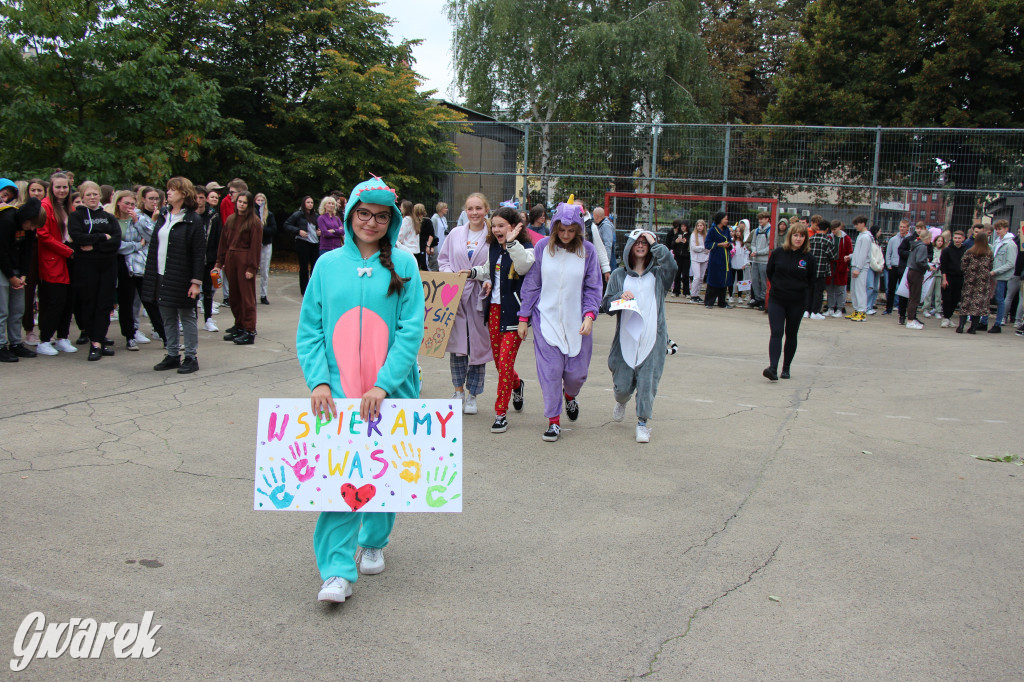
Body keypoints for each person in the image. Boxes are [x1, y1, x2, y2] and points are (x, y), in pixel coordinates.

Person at [295, 176, 424, 604]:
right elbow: (310, 329)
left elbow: (410, 332)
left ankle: (374, 540)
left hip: (392, 394)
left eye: (381, 216)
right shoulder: (328, 266)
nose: (371, 222)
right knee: (340, 480)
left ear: (391, 222)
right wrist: (318, 381)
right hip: (339, 397)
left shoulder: (404, 264)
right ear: (350, 215)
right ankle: (335, 570)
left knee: (384, 475)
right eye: (364, 214)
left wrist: (384, 385)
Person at [517, 200, 603, 442]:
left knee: (576, 375)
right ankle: (553, 421)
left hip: (577, 323)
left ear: (578, 229)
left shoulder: (588, 251)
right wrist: (524, 317)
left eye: (571, 230)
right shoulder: (543, 247)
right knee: (551, 372)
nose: (565, 235)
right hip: (547, 320)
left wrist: (589, 315)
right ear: (554, 227)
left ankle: (570, 396)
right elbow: (532, 285)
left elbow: (593, 287)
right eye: (561, 230)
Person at [601, 229, 676, 443]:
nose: (641, 245)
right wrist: (619, 297)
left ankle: (642, 422)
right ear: (630, 247)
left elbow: (672, 265)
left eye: (646, 242)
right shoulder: (619, 275)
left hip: (652, 339)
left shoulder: (660, 275)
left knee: (648, 383)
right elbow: (606, 306)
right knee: (622, 387)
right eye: (637, 242)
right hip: (625, 339)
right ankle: (621, 401)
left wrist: (655, 243)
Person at [463, 205, 534, 433]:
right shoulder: (494, 247)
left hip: (515, 313)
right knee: (501, 363)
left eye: (501, 225)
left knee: (504, 363)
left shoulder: (525, 248)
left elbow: (523, 267)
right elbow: (489, 269)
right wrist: (473, 273)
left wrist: (512, 243)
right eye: (493, 226)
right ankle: (516, 384)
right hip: (493, 311)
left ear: (513, 227)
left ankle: (500, 413)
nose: (496, 229)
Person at [141, 177, 206, 373]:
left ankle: (191, 357)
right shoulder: (163, 215)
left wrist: (195, 282)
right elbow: (155, 245)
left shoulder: (193, 220)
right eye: (168, 190)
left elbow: (198, 254)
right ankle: (172, 354)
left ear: (184, 194)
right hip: (162, 274)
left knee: (186, 316)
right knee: (167, 316)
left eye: (172, 190)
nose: (167, 193)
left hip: (182, 276)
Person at [438, 193, 494, 414]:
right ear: (465, 211)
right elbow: (443, 260)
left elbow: (496, 265)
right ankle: (458, 390)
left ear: (486, 210)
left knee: (478, 348)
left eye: (478, 208)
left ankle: (473, 395)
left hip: (480, 296)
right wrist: (449, 276)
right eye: (470, 208)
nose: (474, 213)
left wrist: (487, 279)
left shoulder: (492, 235)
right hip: (456, 297)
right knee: (458, 347)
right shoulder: (455, 234)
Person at [67, 181, 121, 362]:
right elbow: (77, 238)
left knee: (104, 304)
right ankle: (94, 341)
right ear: (82, 197)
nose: (92, 197)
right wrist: (101, 237)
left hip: (107, 265)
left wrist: (94, 245)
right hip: (86, 267)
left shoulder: (108, 217)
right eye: (88, 194)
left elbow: (116, 241)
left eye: (95, 194)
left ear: (100, 196)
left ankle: (99, 340)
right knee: (89, 302)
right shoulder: (76, 216)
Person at [764, 222, 815, 381]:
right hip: (777, 299)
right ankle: (773, 368)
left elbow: (811, 281)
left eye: (801, 236)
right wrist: (779, 287)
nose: (798, 239)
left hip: (797, 301)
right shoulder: (778, 253)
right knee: (777, 332)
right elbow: (770, 272)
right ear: (790, 236)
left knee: (791, 334)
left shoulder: (808, 258)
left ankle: (786, 368)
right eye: (795, 235)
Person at [113, 190, 163, 350]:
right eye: (126, 203)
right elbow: (116, 245)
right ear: (118, 203)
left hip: (141, 266)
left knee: (150, 301)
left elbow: (152, 237)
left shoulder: (140, 218)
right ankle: (130, 336)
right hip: (123, 266)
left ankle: (165, 336)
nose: (129, 207)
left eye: (132, 204)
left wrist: (137, 222)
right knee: (126, 303)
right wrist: (137, 246)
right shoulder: (113, 221)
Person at [34, 173, 77, 356]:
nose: (62, 190)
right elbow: (43, 235)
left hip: (68, 258)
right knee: (54, 301)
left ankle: (63, 337)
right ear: (51, 188)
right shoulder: (45, 206)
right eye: (58, 187)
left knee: (68, 301)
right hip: (53, 259)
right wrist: (67, 250)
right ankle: (44, 339)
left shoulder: (69, 207)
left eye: (65, 187)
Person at [215, 191, 263, 345]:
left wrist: (251, 267)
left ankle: (249, 330)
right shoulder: (231, 219)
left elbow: (255, 247)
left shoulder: (254, 222)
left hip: (244, 260)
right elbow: (223, 242)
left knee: (246, 297)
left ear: (249, 205)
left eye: (244, 202)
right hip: (231, 259)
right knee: (234, 296)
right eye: (239, 202)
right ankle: (239, 325)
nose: (241, 205)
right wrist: (219, 262)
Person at [0, 197, 45, 361]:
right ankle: (0, 345)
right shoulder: (6, 220)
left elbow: (27, 251)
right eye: (31, 225)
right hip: (3, 268)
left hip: (17, 269)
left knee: (17, 309)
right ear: (26, 217)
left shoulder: (30, 228)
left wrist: (23, 275)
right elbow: (2, 252)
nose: (32, 229)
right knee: (2, 310)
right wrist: (11, 277)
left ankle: (15, 343)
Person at [20, 178, 48, 345]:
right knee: (28, 293)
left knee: (46, 292)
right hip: (31, 254)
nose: (36, 193)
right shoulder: (23, 211)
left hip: (47, 254)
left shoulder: (49, 209)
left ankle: (46, 330)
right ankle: (29, 329)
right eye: (33, 190)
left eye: (40, 190)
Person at [957, 232, 993, 334]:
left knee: (966, 302)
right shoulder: (989, 253)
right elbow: (991, 266)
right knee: (978, 304)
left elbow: (963, 265)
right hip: (983, 282)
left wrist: (968, 272)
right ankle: (973, 328)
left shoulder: (969, 252)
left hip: (970, 281)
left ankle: (961, 326)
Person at [197, 185, 222, 331]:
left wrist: (218, 260)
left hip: (209, 258)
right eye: (197, 197)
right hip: (193, 260)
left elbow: (218, 237)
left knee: (208, 290)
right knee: (190, 292)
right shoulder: (188, 215)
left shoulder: (213, 215)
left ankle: (208, 319)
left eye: (201, 197)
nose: (199, 201)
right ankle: (190, 319)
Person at [284, 196, 320, 295]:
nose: (310, 204)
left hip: (315, 243)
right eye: (308, 202)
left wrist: (319, 231)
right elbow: (287, 225)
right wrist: (298, 231)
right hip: (303, 242)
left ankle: (313, 289)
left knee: (314, 267)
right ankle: (304, 290)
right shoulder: (298, 214)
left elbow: (318, 227)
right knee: (304, 268)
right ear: (304, 203)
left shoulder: (316, 216)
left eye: (312, 202)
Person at [985, 219, 1015, 333]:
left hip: (1001, 276)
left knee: (999, 299)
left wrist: (995, 271)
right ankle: (984, 321)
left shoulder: (1010, 244)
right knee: (988, 297)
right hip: (993, 275)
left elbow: (1010, 263)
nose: (997, 231)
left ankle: (998, 323)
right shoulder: (997, 242)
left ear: (1006, 229)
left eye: (1000, 229)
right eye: (996, 229)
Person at [805, 216, 836, 319]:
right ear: (827, 229)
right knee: (818, 292)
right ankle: (815, 311)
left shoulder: (811, 239)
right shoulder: (827, 241)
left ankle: (806, 310)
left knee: (809, 290)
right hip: (822, 270)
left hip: (810, 270)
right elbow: (833, 256)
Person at [904, 229, 934, 330]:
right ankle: (910, 320)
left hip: (911, 271)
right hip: (917, 272)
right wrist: (928, 267)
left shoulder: (916, 245)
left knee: (912, 296)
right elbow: (920, 261)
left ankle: (910, 318)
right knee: (915, 297)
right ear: (928, 238)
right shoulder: (922, 247)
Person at [703, 212, 731, 308]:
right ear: (720, 219)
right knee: (714, 279)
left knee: (724, 279)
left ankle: (722, 302)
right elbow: (707, 244)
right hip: (716, 258)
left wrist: (728, 244)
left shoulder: (727, 230)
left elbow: (730, 240)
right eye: (725, 219)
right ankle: (709, 302)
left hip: (725, 258)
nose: (727, 221)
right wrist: (719, 244)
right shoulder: (712, 230)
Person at [847, 216, 872, 321]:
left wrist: (858, 268)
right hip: (856, 266)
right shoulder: (861, 236)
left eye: (857, 224)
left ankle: (862, 311)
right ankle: (857, 309)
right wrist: (850, 256)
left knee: (860, 289)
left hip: (861, 267)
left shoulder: (866, 237)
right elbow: (858, 252)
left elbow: (863, 254)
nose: (855, 226)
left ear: (863, 224)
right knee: (854, 290)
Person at [825, 220, 851, 317]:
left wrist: (845, 263)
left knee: (840, 288)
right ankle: (830, 307)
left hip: (841, 266)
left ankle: (840, 308)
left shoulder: (846, 239)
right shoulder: (830, 238)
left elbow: (849, 252)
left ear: (839, 227)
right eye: (832, 230)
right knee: (830, 288)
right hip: (831, 266)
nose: (833, 232)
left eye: (835, 229)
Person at [746, 212, 772, 309]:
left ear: (767, 219)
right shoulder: (756, 230)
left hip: (764, 260)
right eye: (759, 219)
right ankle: (757, 298)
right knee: (755, 280)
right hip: (755, 259)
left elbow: (770, 247)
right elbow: (752, 243)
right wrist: (753, 250)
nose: (760, 220)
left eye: (762, 218)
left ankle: (763, 299)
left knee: (764, 281)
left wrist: (758, 252)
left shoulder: (770, 230)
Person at [255, 193, 277, 305]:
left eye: (262, 200)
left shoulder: (269, 215)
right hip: (255, 245)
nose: (260, 202)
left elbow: (273, 229)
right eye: (258, 200)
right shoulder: (252, 214)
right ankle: (251, 295)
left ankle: (263, 294)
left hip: (266, 244)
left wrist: (262, 229)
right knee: (253, 270)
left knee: (264, 271)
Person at [921, 231, 946, 319]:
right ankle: (926, 308)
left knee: (938, 293)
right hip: (932, 271)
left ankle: (938, 309)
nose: (940, 243)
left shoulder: (944, 251)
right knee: (929, 292)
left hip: (939, 272)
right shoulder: (932, 249)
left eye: (941, 241)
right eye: (938, 241)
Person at [665, 218, 690, 297]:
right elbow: (671, 245)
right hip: (678, 256)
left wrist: (686, 243)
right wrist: (676, 242)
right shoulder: (677, 234)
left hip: (686, 257)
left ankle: (686, 292)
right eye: (681, 226)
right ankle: (676, 291)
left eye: (684, 226)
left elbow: (690, 246)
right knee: (677, 274)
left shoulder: (690, 235)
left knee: (685, 274)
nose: (683, 228)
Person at [689, 219, 709, 303]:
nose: (699, 227)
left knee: (701, 277)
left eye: (701, 225)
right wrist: (703, 248)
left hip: (704, 258)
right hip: (695, 259)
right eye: (698, 226)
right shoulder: (694, 235)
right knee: (696, 277)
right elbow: (694, 248)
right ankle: (693, 295)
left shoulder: (706, 235)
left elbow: (709, 247)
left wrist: (704, 249)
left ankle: (697, 294)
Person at [593, 207, 615, 271]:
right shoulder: (601, 225)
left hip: (608, 259)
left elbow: (608, 244)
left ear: (597, 216)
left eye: (594, 215)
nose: (593, 217)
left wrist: (606, 263)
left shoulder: (606, 226)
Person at [415, 203, 435, 271]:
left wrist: (428, 246)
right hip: (416, 244)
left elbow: (431, 234)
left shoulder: (427, 221)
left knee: (424, 264)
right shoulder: (413, 221)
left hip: (423, 244)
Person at [429, 202, 448, 270]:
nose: (447, 209)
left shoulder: (444, 218)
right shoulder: (435, 218)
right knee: (435, 261)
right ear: (441, 209)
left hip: (443, 242)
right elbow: (432, 232)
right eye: (445, 208)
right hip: (437, 244)